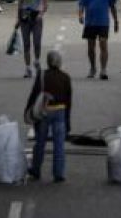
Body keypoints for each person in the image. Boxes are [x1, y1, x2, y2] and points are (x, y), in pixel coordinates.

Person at [27, 50, 72, 183]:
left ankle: (35, 170)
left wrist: (28, 111)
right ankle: (59, 173)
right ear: (60, 62)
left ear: (47, 62)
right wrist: (67, 121)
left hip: (44, 112)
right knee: (59, 144)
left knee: (40, 142)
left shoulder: (42, 75)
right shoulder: (66, 77)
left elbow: (34, 94)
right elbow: (68, 101)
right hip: (60, 112)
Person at [78, 0, 119, 80]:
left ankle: (103, 69)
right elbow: (81, 4)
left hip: (103, 22)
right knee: (91, 47)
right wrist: (80, 15)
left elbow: (112, 6)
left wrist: (116, 21)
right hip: (90, 22)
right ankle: (92, 68)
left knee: (103, 44)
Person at [18, 0, 48, 79]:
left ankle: (36, 60)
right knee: (26, 43)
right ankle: (27, 67)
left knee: (37, 42)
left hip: (37, 17)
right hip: (25, 15)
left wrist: (41, 14)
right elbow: (20, 3)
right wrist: (18, 19)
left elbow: (45, 4)